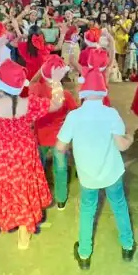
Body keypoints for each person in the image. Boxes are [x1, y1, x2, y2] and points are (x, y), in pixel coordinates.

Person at [0, 59, 68, 255]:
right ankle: (23, 240)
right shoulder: (30, 104)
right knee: (23, 192)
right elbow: (56, 104)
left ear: (0, 86)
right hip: (24, 157)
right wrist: (56, 82)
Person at [57, 65, 135, 270]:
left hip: (87, 176)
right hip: (112, 173)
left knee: (87, 211)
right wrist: (131, 138)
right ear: (103, 92)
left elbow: (59, 146)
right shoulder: (111, 114)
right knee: (119, 206)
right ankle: (127, 246)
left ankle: (84, 254)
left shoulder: (74, 116)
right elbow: (121, 145)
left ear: (83, 93)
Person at [30, 54, 78, 209]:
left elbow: (31, 82)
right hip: (60, 139)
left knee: (39, 168)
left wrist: (43, 68)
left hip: (40, 136)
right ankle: (61, 198)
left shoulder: (37, 89)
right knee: (61, 168)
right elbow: (74, 113)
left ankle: (38, 196)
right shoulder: (66, 95)